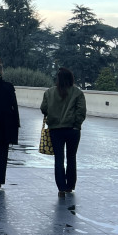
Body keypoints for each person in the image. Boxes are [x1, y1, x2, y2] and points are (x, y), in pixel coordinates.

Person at [40, 67, 86, 201]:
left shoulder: (49, 92)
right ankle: (70, 186)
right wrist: (77, 125)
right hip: (72, 130)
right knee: (72, 158)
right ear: (71, 78)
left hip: (55, 130)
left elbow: (43, 109)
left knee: (59, 159)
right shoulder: (77, 93)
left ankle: (61, 188)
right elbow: (81, 111)